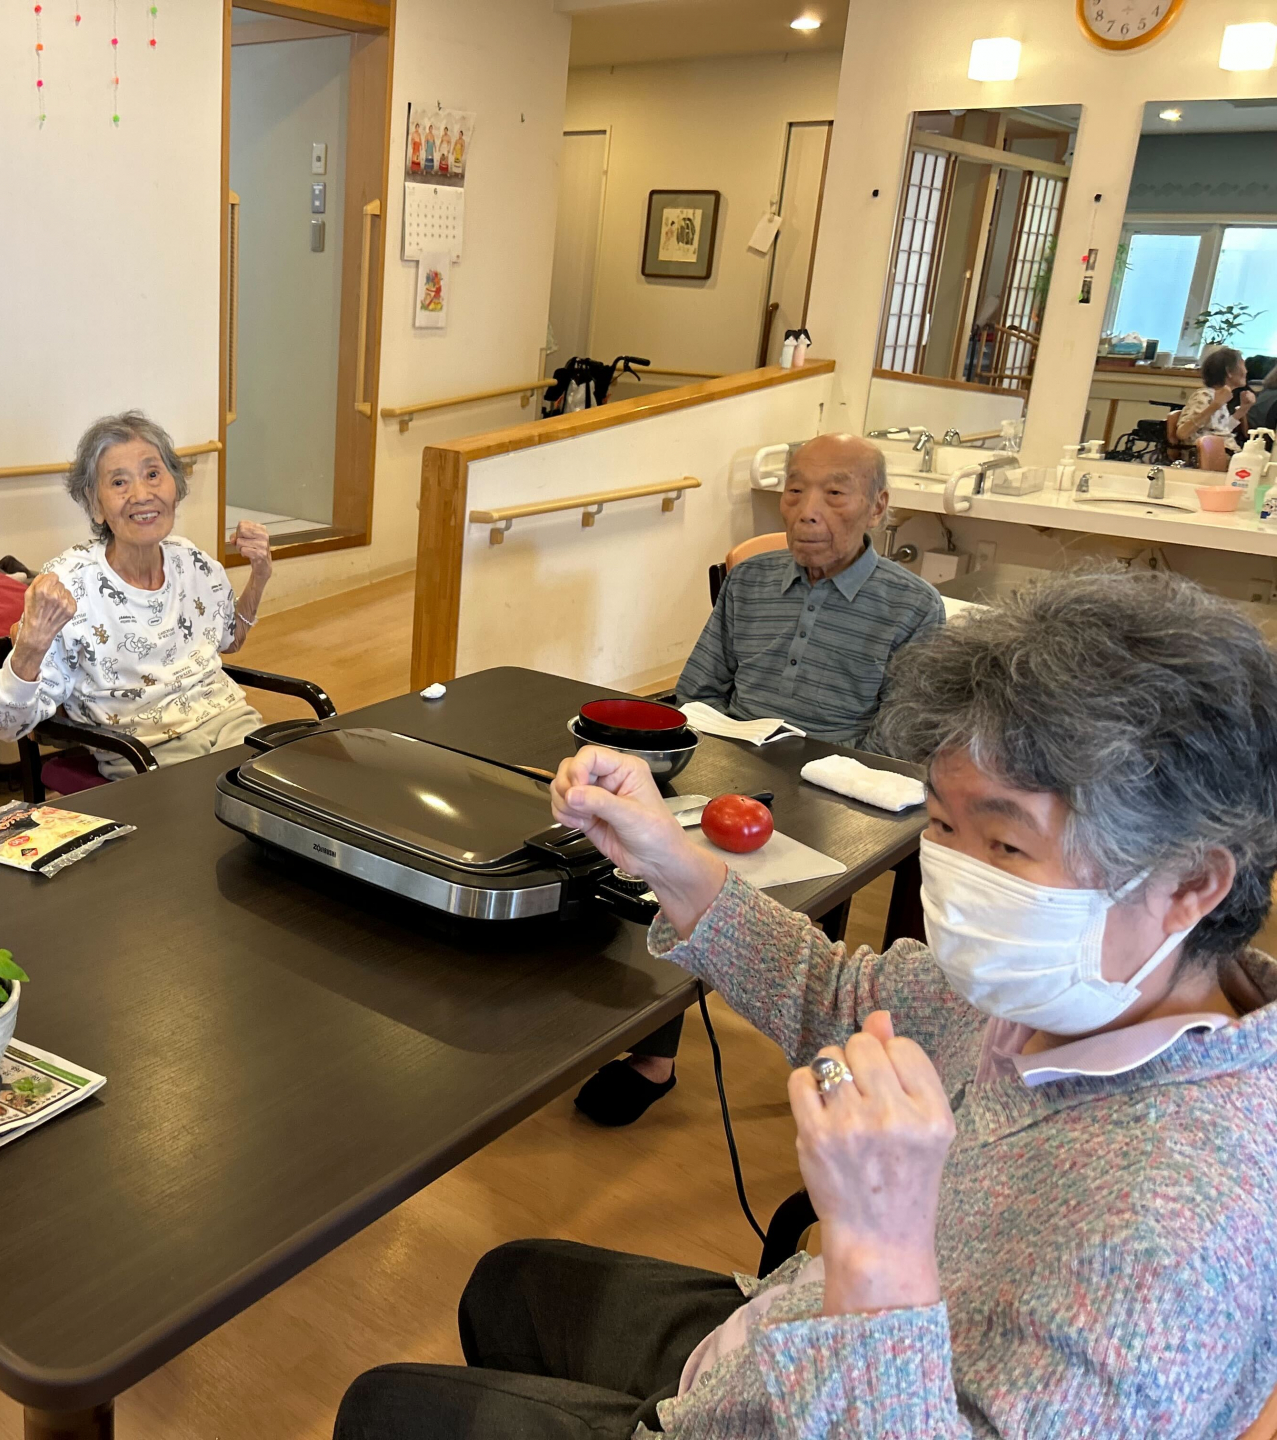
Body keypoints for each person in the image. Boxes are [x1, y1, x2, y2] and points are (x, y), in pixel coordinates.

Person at [335, 568, 1277, 1440]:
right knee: (508, 1286)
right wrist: (667, 855)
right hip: (779, 1338)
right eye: (942, 825)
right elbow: (836, 996)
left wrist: (877, 1254)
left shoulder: (1171, 1241)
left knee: (388, 1411)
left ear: (1191, 883)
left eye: (1005, 846)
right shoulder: (1067, 984)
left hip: (833, 1383)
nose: (956, 881)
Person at [576, 433, 943, 1129]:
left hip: (838, 790)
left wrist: (813, 778)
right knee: (639, 858)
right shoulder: (749, 582)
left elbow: (898, 741)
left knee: (721, 872)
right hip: (731, 768)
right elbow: (697, 692)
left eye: (834, 493)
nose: (808, 510)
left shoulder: (914, 607)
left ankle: (840, 1053)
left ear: (878, 507)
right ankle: (652, 1052)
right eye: (795, 490)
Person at [0, 411, 273, 773]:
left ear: (175, 486)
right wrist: (31, 645)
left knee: (287, 792)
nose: (141, 495)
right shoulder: (70, 585)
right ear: (95, 504)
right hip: (147, 754)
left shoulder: (193, 561)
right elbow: (5, 726)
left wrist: (260, 575)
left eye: (153, 474)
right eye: (119, 482)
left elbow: (231, 640)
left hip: (232, 724)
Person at [1173, 345, 1253, 469]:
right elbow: (1183, 433)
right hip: (1209, 458)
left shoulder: (1219, 398)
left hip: (1226, 455)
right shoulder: (1204, 396)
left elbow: (1220, 430)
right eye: (1243, 365)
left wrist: (1243, 409)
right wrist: (1215, 405)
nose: (1246, 371)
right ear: (1229, 372)